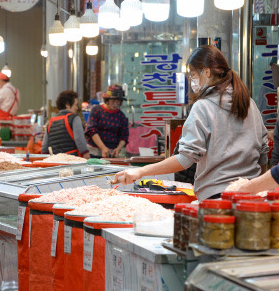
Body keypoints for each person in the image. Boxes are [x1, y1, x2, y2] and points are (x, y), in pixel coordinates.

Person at [112, 45, 268, 201]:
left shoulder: (203, 106)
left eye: (193, 75)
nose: (192, 82)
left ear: (206, 72)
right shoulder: (250, 103)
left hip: (217, 197)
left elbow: (186, 158)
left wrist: (140, 172)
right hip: (252, 195)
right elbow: (263, 153)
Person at [85, 84, 129, 158]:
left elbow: (124, 136)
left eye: (118, 101)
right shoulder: (96, 110)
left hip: (112, 154)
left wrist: (118, 148)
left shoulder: (121, 116)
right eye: (113, 100)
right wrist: (103, 148)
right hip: (94, 152)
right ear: (107, 99)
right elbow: (92, 131)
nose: (116, 104)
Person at [42, 90, 90, 158]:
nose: (76, 108)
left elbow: (44, 147)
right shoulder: (74, 118)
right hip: (72, 160)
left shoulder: (50, 122)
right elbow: (79, 140)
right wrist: (86, 154)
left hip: (55, 161)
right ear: (67, 105)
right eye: (75, 105)